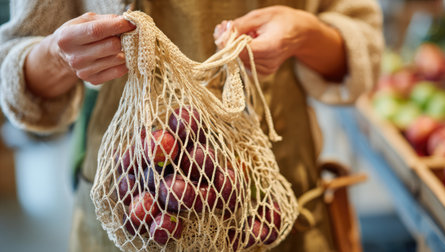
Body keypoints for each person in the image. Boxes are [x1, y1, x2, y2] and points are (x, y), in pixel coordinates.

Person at [0, 0, 383, 251]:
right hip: (135, 207)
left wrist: (304, 34)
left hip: (275, 211)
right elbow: (13, 64)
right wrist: (56, 57)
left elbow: (363, 43)